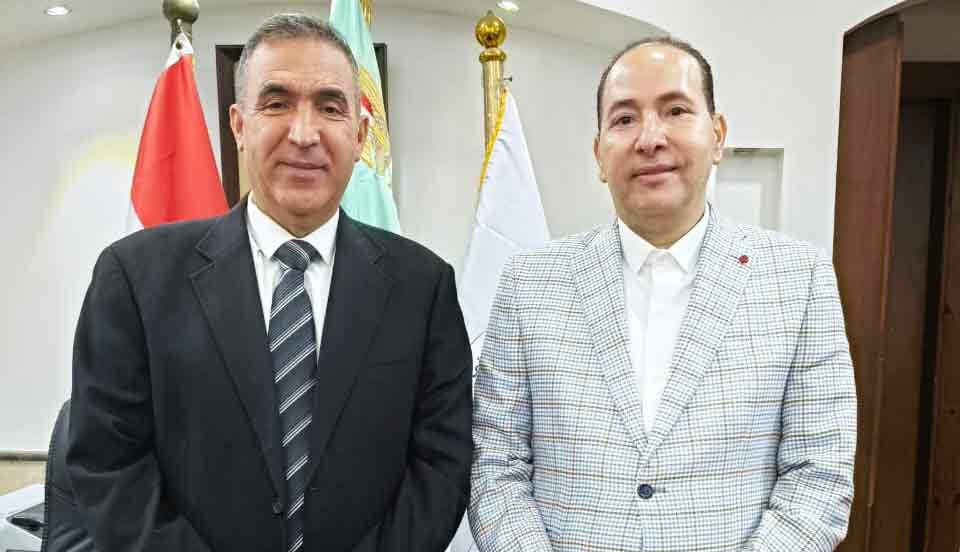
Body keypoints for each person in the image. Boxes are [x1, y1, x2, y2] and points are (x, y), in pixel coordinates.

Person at [67, 13, 472, 552]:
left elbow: (441, 465)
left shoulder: (424, 288)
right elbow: (108, 465)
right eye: (277, 103)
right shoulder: (135, 278)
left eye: (330, 107)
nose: (303, 134)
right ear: (239, 125)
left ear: (360, 135)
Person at [469, 38, 856, 551]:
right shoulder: (529, 282)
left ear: (716, 135)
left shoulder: (798, 279)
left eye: (675, 110)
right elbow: (495, 465)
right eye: (624, 119)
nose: (649, 138)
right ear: (599, 153)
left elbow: (819, 475)